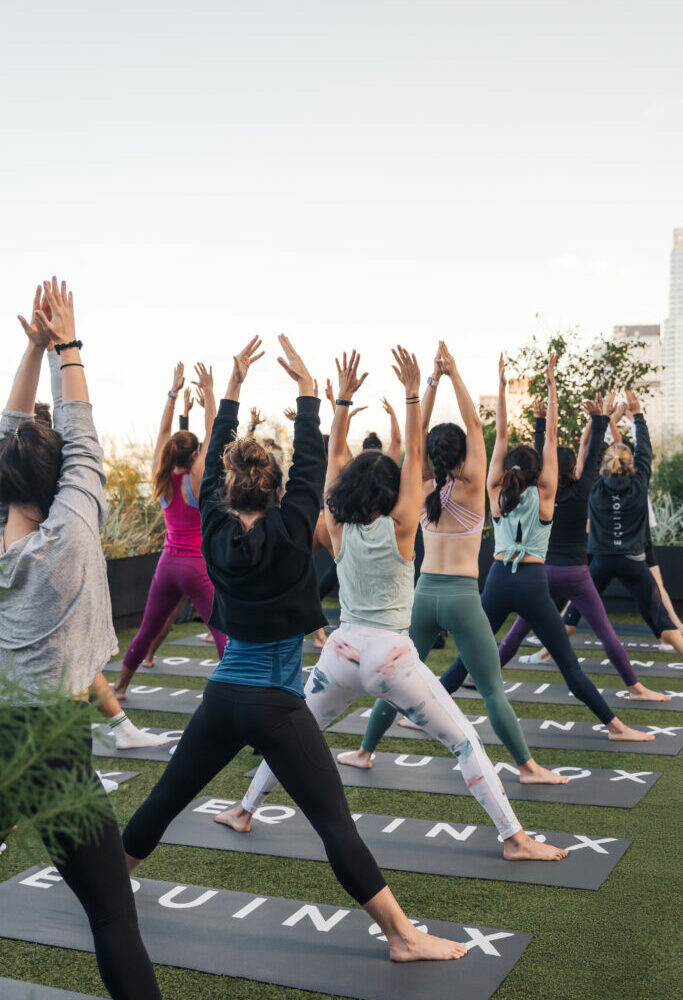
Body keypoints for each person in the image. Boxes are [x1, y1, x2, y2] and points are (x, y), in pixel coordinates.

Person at [123, 335, 468, 963]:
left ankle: (109, 884)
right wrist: (312, 390)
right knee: (336, 828)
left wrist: (227, 391)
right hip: (278, 707)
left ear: (225, 489)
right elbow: (314, 460)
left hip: (223, 697)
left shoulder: (213, 530)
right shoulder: (292, 524)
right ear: (281, 488)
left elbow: (283, 462)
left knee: (164, 800)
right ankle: (401, 937)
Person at [219, 345, 568, 862]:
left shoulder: (335, 524)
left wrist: (339, 403)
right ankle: (514, 838)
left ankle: (243, 810)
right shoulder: (404, 526)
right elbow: (415, 461)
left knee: (295, 734)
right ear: (389, 490)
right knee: (465, 741)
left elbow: (333, 459)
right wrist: (412, 391)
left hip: (340, 654)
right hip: (390, 659)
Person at [0, 279, 162, 1000]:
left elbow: (12, 431)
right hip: (52, 749)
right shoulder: (69, 535)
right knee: (112, 916)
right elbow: (82, 431)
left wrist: (39, 346)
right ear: (58, 481)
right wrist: (66, 344)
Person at [340, 342, 568, 782]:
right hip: (463, 599)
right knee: (490, 690)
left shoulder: (420, 484)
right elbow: (478, 427)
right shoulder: (474, 486)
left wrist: (429, 381)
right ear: (464, 454)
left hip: (422, 597)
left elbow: (416, 431)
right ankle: (527, 767)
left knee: (395, 678)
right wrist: (454, 374)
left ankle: (365, 752)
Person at [439, 356, 654, 743]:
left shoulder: (494, 490)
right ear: (538, 471)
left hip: (499, 580)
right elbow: (552, 438)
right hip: (534, 583)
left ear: (507, 470)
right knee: (570, 668)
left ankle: (422, 713)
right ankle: (616, 727)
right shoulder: (546, 493)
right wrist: (551, 384)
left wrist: (502, 385)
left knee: (468, 657)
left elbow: (500, 433)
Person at [497, 393, 669, 701]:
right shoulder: (585, 490)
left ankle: (484, 673)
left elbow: (540, 458)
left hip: (543, 572)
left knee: (519, 629)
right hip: (576, 573)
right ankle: (635, 687)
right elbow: (596, 455)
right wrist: (603, 418)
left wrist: (540, 424)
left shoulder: (540, 492)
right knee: (605, 632)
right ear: (573, 468)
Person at [114, 360, 226, 698]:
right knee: (222, 631)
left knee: (146, 630)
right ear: (194, 454)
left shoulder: (162, 478)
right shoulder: (196, 477)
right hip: (195, 567)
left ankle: (119, 687)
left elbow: (164, 435)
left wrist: (172, 394)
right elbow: (215, 435)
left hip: (167, 566)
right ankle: (235, 693)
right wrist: (208, 392)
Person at [561, 389, 683, 657]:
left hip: (602, 561)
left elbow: (586, 448)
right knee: (663, 621)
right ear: (632, 465)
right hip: (633, 560)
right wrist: (637, 415)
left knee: (571, 615)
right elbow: (645, 449)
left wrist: (599, 418)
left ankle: (548, 652)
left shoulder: (593, 486)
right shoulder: (639, 482)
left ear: (603, 464)